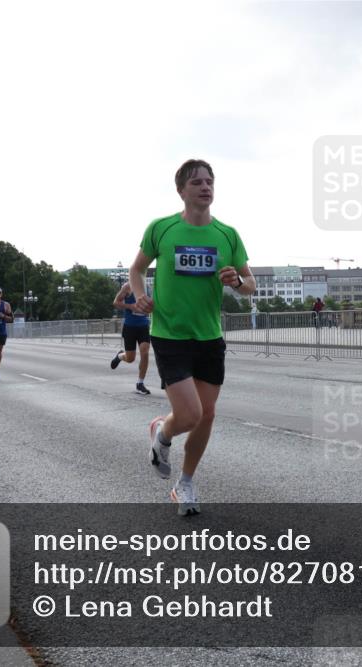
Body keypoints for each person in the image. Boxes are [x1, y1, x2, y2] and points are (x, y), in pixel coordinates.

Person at [129, 159, 253, 516]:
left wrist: (236, 282)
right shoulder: (162, 229)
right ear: (181, 190)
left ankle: (184, 483)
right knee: (190, 414)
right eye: (197, 182)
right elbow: (136, 268)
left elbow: (250, 286)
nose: (205, 187)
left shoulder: (228, 235)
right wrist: (139, 295)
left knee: (207, 415)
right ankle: (163, 432)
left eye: (210, 181)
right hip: (170, 334)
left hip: (209, 337)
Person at [110, 281, 153, 395]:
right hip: (130, 326)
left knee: (145, 351)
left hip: (144, 325)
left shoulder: (148, 288)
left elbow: (152, 305)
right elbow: (116, 302)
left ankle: (140, 383)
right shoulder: (128, 286)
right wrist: (131, 306)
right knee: (130, 358)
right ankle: (120, 356)